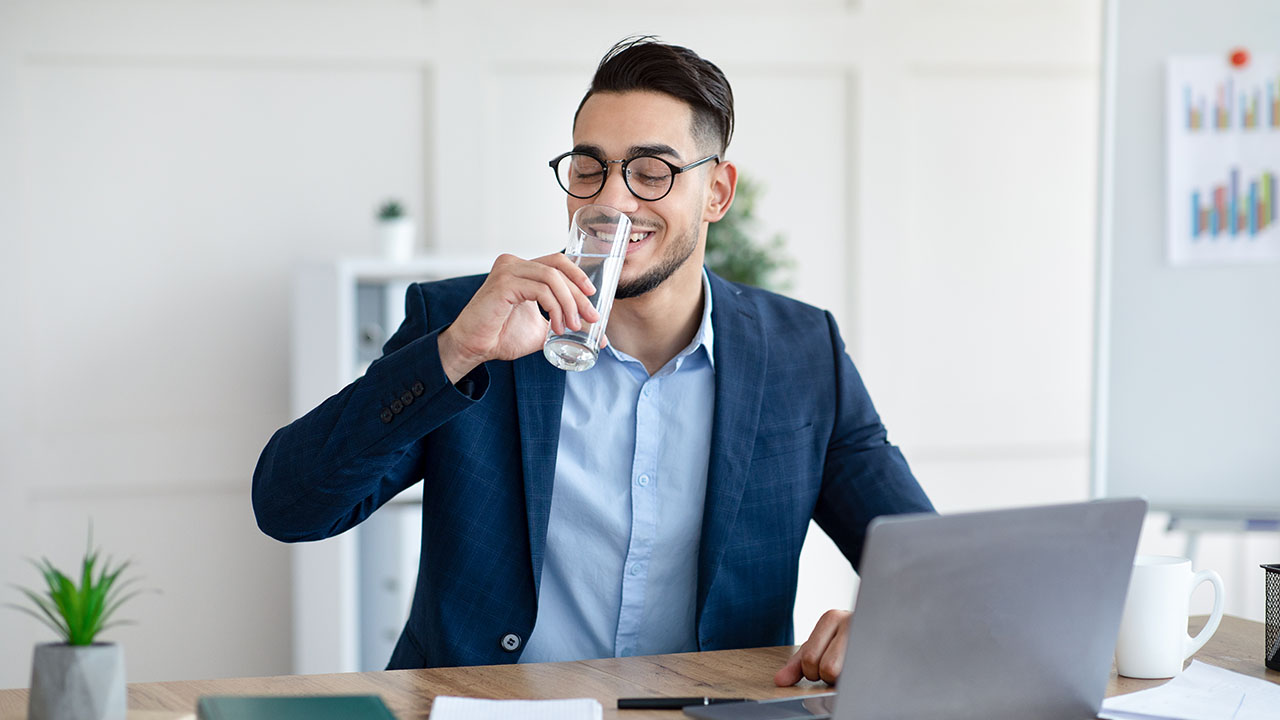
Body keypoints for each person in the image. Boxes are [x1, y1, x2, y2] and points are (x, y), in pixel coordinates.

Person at [252, 36, 932, 687]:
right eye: (590, 167)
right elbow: (290, 507)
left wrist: (878, 623)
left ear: (717, 194)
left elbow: (933, 567)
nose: (611, 199)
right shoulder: (471, 327)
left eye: (651, 171)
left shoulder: (801, 352)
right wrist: (455, 353)